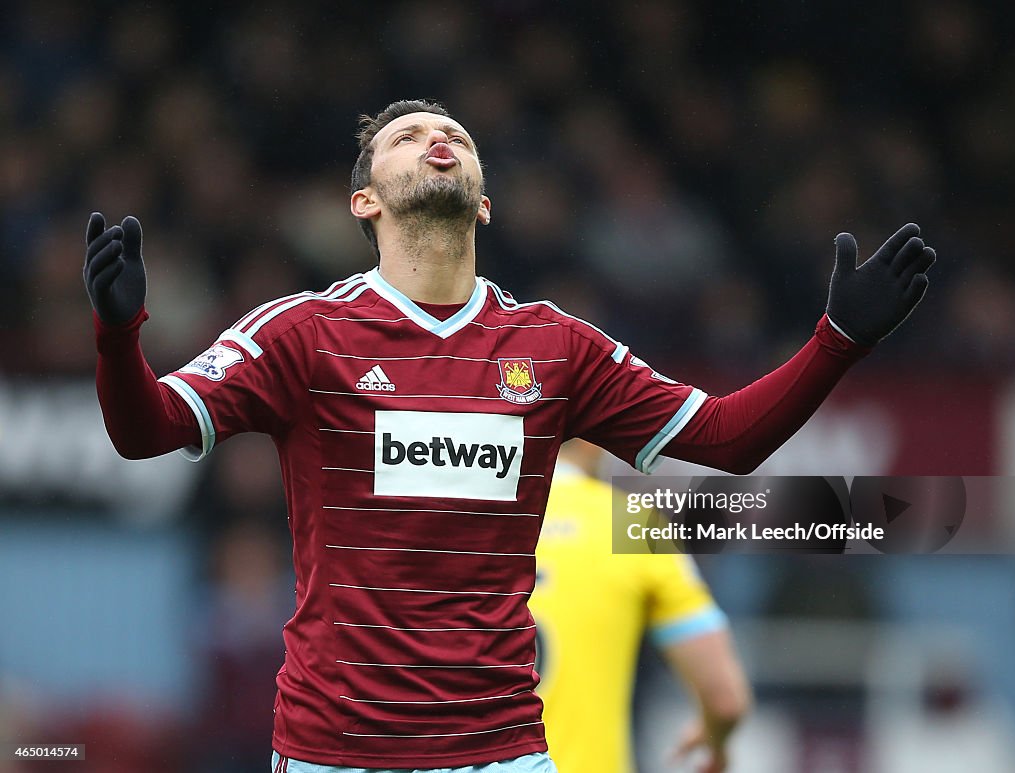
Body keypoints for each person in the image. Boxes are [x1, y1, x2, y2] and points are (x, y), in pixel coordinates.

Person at [82, 98, 935, 772]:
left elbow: (726, 438)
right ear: (365, 199)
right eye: (407, 136)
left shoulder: (554, 345)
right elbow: (145, 429)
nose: (435, 138)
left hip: (500, 750)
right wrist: (119, 337)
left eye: (452, 132)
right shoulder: (301, 332)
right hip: (333, 750)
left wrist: (837, 342)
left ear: (484, 202)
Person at [532, 440, 750, 773]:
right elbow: (725, 702)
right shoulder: (632, 524)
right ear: (593, 441)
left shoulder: (462, 520)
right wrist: (715, 741)